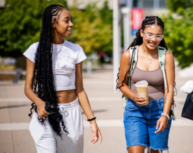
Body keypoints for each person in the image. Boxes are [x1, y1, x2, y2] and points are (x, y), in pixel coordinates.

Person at [23, 4, 102, 153]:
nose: (71, 24)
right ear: (53, 23)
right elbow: (27, 88)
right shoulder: (35, 50)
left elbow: (80, 89)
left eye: (71, 20)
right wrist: (39, 103)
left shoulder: (76, 50)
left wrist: (92, 121)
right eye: (67, 20)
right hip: (46, 112)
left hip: (71, 114)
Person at [117, 16, 175, 153]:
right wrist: (133, 96)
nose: (153, 39)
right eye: (149, 34)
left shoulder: (166, 56)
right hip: (135, 111)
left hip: (159, 110)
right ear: (141, 32)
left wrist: (165, 115)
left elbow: (169, 88)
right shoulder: (129, 55)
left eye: (158, 36)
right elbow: (121, 84)